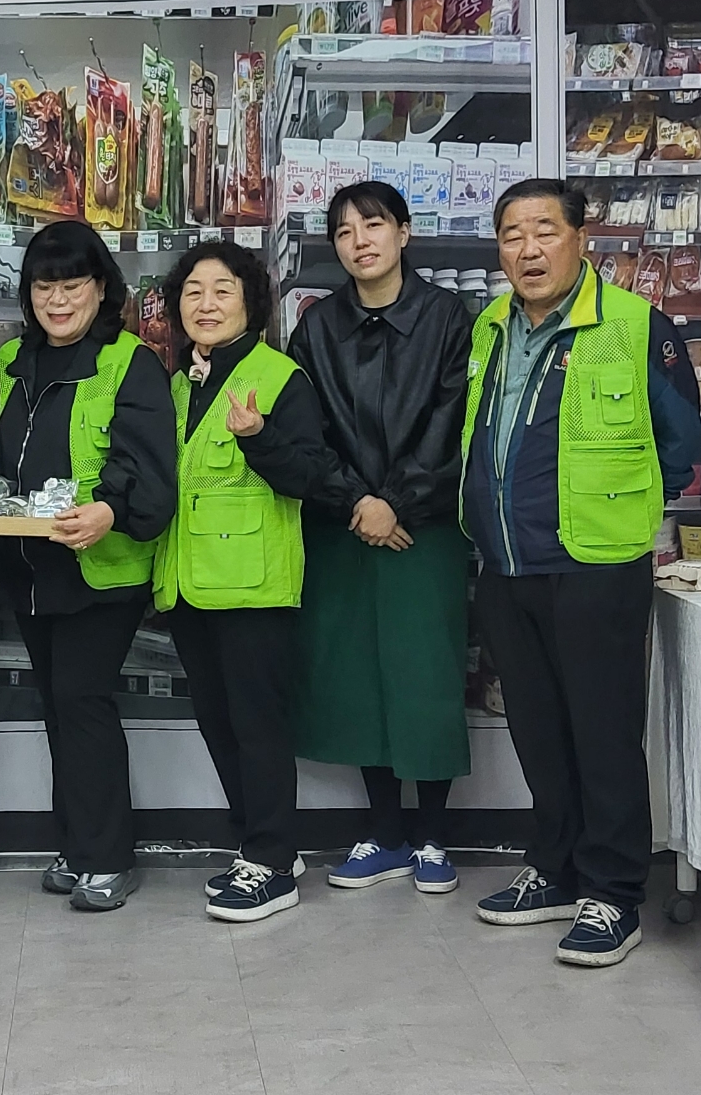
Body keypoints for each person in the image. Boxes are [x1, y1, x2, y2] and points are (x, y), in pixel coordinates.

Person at [463, 178, 699, 969]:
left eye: (544, 231)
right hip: (507, 562)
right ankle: (556, 867)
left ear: (579, 239)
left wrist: (617, 510)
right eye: (511, 235)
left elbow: (680, 445)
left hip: (595, 564)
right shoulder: (490, 327)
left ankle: (613, 892)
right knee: (538, 730)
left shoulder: (634, 326)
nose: (527, 250)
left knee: (603, 734)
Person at [287, 181, 477, 900]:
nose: (359, 241)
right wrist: (356, 501)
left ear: (404, 231)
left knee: (425, 674)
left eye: (372, 225)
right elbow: (307, 429)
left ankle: (432, 836)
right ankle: (386, 831)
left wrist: (397, 502)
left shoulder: (447, 317)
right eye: (343, 231)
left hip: (423, 529)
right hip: (346, 528)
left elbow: (452, 421)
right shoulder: (316, 327)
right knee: (358, 674)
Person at [0, 220, 176, 912]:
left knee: (81, 702)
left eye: (72, 285)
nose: (58, 300)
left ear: (101, 289)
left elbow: (148, 469)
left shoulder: (130, 361)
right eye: (44, 286)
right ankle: (77, 844)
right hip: (28, 568)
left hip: (100, 569)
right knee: (57, 708)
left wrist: (109, 511)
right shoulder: (14, 360)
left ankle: (107, 857)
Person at [151, 240, 333, 923]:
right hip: (188, 583)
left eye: (222, 290)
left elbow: (309, 476)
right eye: (193, 291)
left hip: (253, 585)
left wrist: (258, 436)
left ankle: (273, 862)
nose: (206, 304)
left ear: (252, 304)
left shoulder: (280, 378)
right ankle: (256, 845)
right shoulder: (179, 384)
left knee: (258, 727)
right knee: (219, 723)